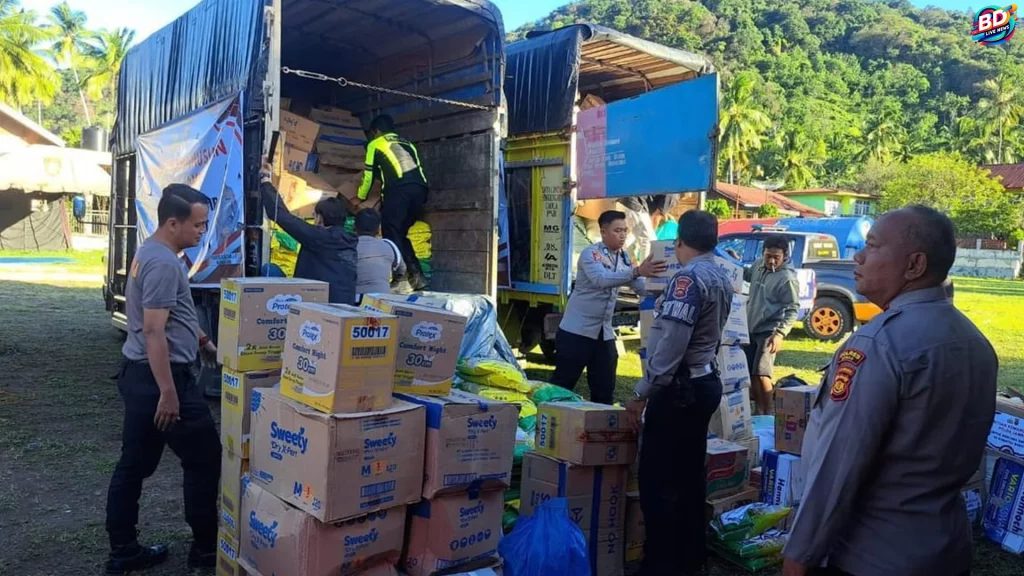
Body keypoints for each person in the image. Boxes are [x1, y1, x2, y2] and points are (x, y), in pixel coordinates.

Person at [782, 206, 997, 576]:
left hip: (873, 553)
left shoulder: (878, 342)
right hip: (944, 546)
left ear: (914, 265)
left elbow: (839, 463)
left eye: (873, 246)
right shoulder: (973, 340)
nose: (858, 256)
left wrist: (799, 556)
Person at [105, 184, 221, 575]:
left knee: (134, 464)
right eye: (199, 225)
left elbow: (173, 314)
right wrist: (169, 393)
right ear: (173, 223)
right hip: (161, 380)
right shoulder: (163, 263)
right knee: (204, 458)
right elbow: (154, 331)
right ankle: (206, 552)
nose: (202, 232)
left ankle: (123, 552)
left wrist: (203, 340)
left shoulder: (156, 253)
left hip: (142, 376)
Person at [625, 210, 734, 576]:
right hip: (704, 383)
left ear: (679, 242)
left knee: (658, 480)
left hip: (679, 389)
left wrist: (641, 392)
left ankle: (660, 564)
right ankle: (691, 558)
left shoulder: (687, 279)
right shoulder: (723, 274)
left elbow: (671, 344)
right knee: (689, 475)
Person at [552, 210, 666, 404]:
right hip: (576, 332)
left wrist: (663, 288)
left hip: (603, 334)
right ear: (603, 232)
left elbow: (640, 288)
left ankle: (601, 427)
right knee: (562, 386)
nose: (623, 235)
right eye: (617, 230)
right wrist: (637, 271)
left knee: (604, 389)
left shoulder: (625, 259)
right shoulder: (591, 254)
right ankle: (548, 423)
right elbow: (601, 280)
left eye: (625, 231)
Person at [260, 161, 359, 304]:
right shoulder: (350, 241)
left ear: (320, 218)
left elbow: (281, 215)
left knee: (269, 270)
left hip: (314, 303)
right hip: (344, 304)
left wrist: (265, 181)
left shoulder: (319, 237)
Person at [353, 114, 429, 290]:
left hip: (399, 191)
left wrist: (361, 196)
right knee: (400, 233)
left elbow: (369, 175)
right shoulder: (408, 144)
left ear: (376, 131)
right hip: (421, 190)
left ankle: (400, 278)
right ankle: (417, 276)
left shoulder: (375, 144)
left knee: (389, 231)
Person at [744, 235, 801, 414]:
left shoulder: (787, 278)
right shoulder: (759, 265)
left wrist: (780, 334)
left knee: (762, 373)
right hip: (751, 328)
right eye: (768, 255)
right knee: (751, 373)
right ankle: (759, 411)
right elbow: (746, 275)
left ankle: (769, 412)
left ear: (785, 256)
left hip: (770, 330)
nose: (772, 260)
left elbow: (793, 308)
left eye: (776, 257)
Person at [354, 208, 406, 299]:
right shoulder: (389, 245)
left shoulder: (348, 246)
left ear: (354, 227)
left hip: (354, 299)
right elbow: (402, 270)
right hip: (382, 299)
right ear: (378, 229)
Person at [620, 195, 656, 261]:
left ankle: (626, 264)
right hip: (633, 204)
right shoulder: (672, 195)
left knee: (628, 238)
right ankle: (645, 270)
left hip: (624, 201)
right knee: (648, 241)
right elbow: (656, 216)